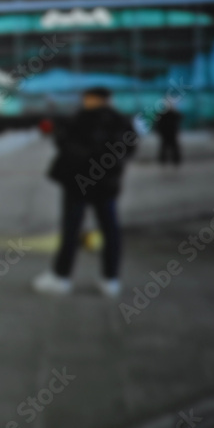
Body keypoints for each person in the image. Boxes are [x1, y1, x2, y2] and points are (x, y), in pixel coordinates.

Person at [33, 87, 136, 298]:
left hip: (77, 183)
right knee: (110, 230)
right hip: (106, 184)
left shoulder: (79, 119)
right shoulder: (121, 122)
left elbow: (64, 143)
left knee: (71, 230)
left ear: (92, 99)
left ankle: (61, 277)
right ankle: (111, 280)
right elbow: (128, 149)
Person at [155, 100, 182, 167]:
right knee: (168, 147)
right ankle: (169, 160)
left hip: (169, 133)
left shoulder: (165, 115)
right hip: (168, 133)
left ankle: (172, 160)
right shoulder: (166, 115)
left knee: (169, 147)